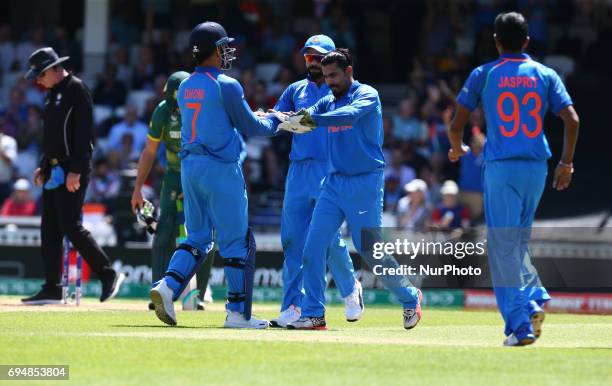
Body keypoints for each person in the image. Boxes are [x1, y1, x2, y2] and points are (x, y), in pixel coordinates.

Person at [448, 12, 579, 346]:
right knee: (516, 243)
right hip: (536, 167)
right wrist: (566, 163)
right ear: (527, 41)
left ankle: (520, 324)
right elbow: (572, 120)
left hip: (502, 167)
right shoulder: (545, 73)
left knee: (502, 247)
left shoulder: (485, 74)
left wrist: (456, 147)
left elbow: (456, 123)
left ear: (495, 41)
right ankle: (532, 297)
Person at [149, 22, 286, 328]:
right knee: (237, 242)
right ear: (212, 51)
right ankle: (237, 315)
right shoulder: (227, 84)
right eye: (223, 47)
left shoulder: (185, 86)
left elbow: (219, 118)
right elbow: (251, 127)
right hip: (220, 169)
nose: (227, 52)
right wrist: (277, 120)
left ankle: (168, 286)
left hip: (190, 168)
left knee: (198, 237)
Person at [285, 49, 422, 330]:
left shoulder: (367, 95)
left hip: (365, 182)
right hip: (333, 183)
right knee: (312, 247)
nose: (329, 81)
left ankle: (410, 298)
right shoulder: (328, 99)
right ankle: (314, 314)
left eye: (334, 76)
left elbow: (347, 116)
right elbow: (307, 115)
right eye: (325, 77)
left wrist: (312, 120)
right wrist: (286, 118)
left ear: (348, 72)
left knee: (369, 249)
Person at [269, 35, 363, 328]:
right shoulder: (296, 89)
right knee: (292, 240)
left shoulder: (341, 93)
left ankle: (350, 289)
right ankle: (293, 307)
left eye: (319, 57)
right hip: (298, 170)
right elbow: (276, 118)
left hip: (328, 169)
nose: (313, 63)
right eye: (309, 57)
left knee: (327, 239)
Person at [21, 47, 125, 305]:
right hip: (54, 171)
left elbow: (84, 135)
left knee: (70, 225)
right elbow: (54, 137)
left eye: (40, 74)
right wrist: (44, 165)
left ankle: (108, 273)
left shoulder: (76, 89)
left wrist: (76, 170)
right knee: (49, 229)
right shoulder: (53, 93)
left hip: (72, 170)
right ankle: (52, 288)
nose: (37, 80)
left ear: (55, 69)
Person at [131, 71, 214, 311]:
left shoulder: (204, 110)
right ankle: (159, 290)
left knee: (205, 235)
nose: (176, 110)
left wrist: (196, 183)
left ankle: (197, 295)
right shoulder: (163, 111)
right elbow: (149, 152)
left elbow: (213, 149)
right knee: (164, 229)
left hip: (202, 174)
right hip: (174, 176)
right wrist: (137, 188)